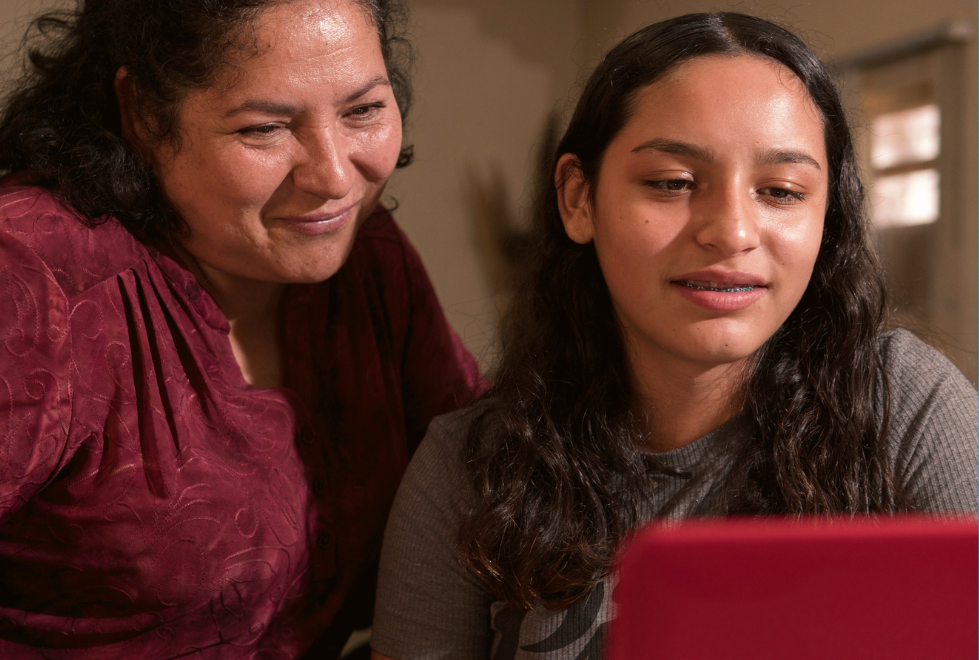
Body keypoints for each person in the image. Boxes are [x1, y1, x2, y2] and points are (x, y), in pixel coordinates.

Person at [0, 0, 483, 658]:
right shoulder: (16, 275)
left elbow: (479, 478)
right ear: (144, 113)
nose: (333, 177)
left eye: (363, 110)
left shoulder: (366, 257)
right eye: (264, 128)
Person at [371, 12, 978, 660]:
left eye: (781, 191)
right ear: (578, 199)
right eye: (672, 183)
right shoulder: (469, 466)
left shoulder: (901, 405)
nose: (732, 232)